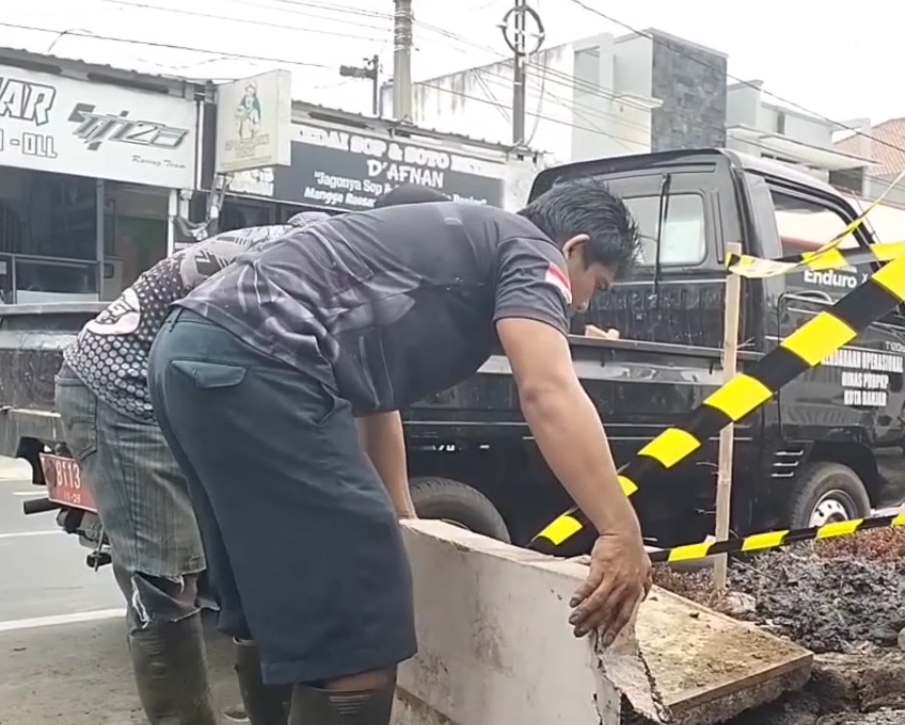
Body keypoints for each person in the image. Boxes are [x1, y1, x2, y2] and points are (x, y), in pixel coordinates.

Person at [147, 178, 652, 725]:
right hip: (262, 363)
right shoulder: (532, 251)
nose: (579, 306)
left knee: (274, 598)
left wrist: (401, 515)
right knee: (363, 619)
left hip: (190, 353)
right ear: (573, 249)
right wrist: (621, 533)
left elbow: (374, 399)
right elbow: (548, 391)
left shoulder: (450, 240)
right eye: (595, 286)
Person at [53, 185, 450, 725]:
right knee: (166, 578)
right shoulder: (326, 256)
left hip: (197, 389)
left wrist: (402, 513)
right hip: (121, 388)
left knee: (256, 562)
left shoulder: (348, 262)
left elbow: (376, 400)